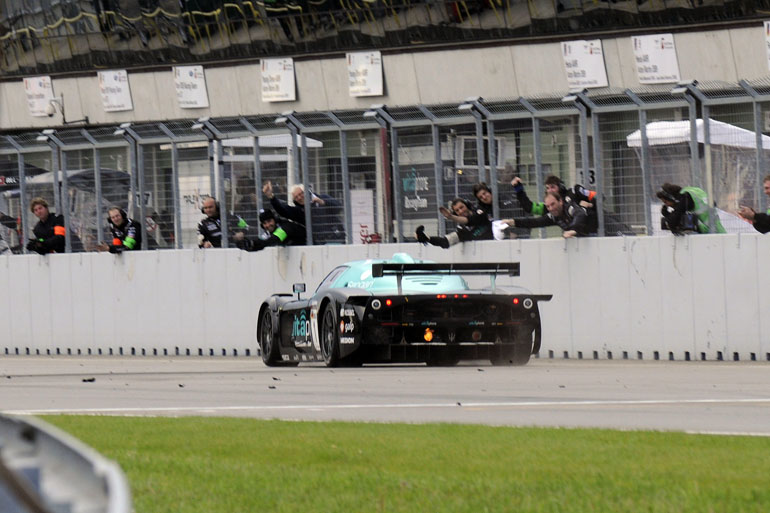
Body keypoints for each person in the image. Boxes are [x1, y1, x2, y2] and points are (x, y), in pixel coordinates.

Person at [262, 181, 345, 244]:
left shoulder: (322, 198)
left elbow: (338, 207)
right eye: (296, 197)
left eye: (300, 194)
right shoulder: (299, 211)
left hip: (337, 237)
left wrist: (323, 202)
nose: (299, 197)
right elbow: (283, 210)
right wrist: (271, 197)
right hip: (319, 243)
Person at [502, 190, 593, 238]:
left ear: (560, 201)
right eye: (548, 206)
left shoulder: (568, 208)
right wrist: (513, 222)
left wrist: (574, 230)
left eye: (553, 204)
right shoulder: (553, 216)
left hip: (597, 233)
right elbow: (535, 222)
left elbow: (580, 215)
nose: (551, 209)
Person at [415, 197, 493, 248]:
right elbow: (445, 242)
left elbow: (470, 220)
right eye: (457, 210)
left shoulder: (479, 211)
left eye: (462, 207)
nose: (461, 211)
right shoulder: (462, 229)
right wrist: (427, 238)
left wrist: (451, 217)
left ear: (467, 205)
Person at [656, 183, 725, 235]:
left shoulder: (685, 198)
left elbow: (673, 222)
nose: (666, 205)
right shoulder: (692, 191)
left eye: (665, 202)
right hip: (717, 229)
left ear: (671, 197)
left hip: (709, 232)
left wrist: (667, 215)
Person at [241, 208, 306, 251]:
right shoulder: (269, 232)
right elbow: (261, 243)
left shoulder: (285, 227)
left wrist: (253, 243)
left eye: (269, 221)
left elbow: (273, 240)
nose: (267, 225)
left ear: (275, 220)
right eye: (264, 223)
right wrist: (248, 246)